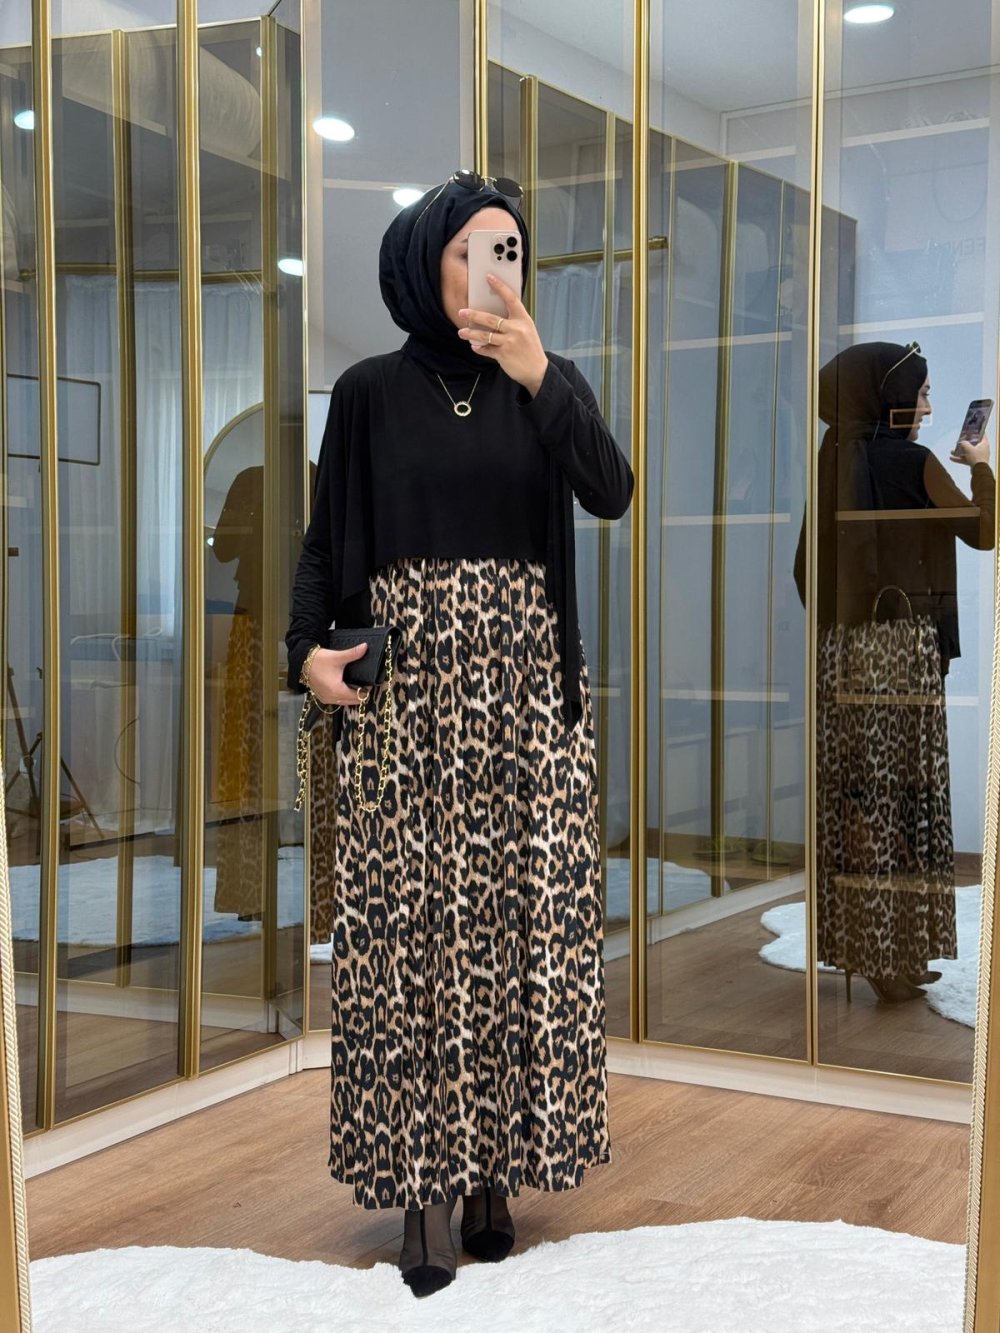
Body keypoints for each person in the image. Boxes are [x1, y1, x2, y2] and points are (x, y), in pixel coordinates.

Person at [286, 172, 633, 1298]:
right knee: (412, 932)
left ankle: (495, 1170)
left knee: (515, 924)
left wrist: (540, 376)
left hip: (527, 694)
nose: (499, 269)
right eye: (478, 249)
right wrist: (304, 651)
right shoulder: (368, 392)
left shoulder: (547, 381)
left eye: (514, 251)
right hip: (408, 696)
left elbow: (612, 490)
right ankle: (423, 1189)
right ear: (428, 259)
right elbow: (323, 542)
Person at [794, 341, 995, 1003]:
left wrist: (845, 627)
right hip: (902, 651)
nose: (928, 408)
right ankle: (898, 951)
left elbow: (804, 569)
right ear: (890, 397)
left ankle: (877, 951)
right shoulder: (914, 463)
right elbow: (985, 532)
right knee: (906, 800)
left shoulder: (832, 460)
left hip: (842, 653)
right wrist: (981, 467)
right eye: (922, 393)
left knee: (859, 802)